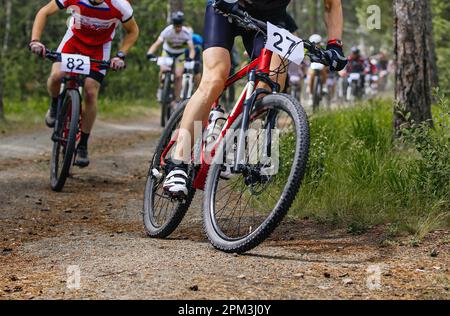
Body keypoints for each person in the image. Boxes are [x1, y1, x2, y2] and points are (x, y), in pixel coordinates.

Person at [163, 0, 348, 198]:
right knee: (215, 78)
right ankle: (178, 163)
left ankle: (237, 143)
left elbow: (332, 4)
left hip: (271, 19)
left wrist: (334, 44)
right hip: (226, 8)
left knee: (271, 83)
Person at [29, 0, 139, 167]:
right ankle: (54, 105)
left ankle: (83, 145)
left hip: (100, 48)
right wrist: (35, 40)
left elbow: (133, 31)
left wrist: (120, 55)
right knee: (56, 76)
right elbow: (44, 12)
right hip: (73, 42)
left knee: (90, 92)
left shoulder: (120, 5)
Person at [147, 11, 196, 104]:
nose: (178, 28)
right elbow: (157, 43)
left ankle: (177, 99)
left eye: (179, 26)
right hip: (167, 52)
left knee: (178, 75)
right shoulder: (167, 31)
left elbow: (192, 49)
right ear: (173, 25)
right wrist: (150, 53)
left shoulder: (186, 32)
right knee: (163, 69)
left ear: (182, 25)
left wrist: (191, 57)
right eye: (176, 26)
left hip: (179, 54)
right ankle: (161, 89)